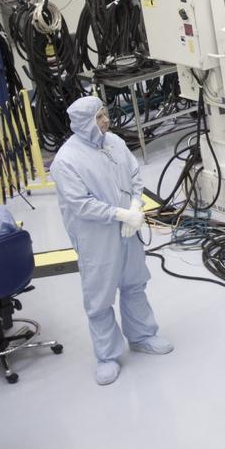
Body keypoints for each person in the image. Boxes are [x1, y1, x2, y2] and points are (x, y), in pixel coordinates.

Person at [53, 95, 171, 386]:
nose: (106, 120)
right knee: (100, 297)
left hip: (127, 228)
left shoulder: (114, 142)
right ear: (83, 123)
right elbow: (80, 204)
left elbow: (133, 174)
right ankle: (107, 356)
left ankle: (143, 336)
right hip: (97, 237)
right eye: (99, 117)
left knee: (134, 283)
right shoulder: (66, 161)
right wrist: (120, 214)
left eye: (105, 114)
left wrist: (134, 206)